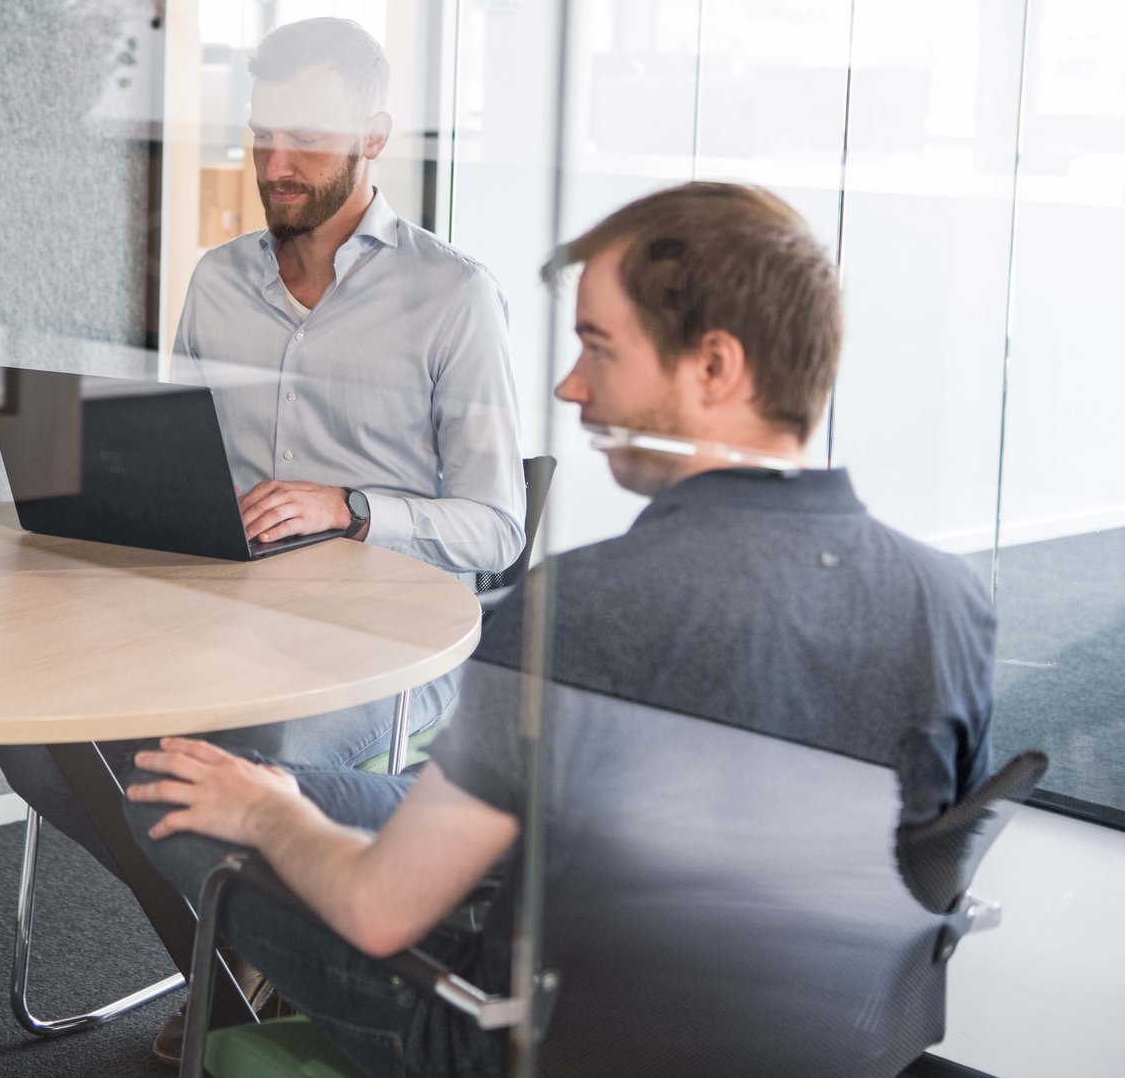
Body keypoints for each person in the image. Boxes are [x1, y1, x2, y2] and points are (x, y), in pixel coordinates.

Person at [123, 182, 997, 1077]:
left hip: (509, 1032)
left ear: (715, 367)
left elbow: (381, 908)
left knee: (180, 800)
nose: (569, 386)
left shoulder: (583, 606)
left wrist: (273, 817)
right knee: (265, 777)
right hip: (794, 1018)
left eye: (598, 347)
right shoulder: (952, 599)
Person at [0, 16, 526, 1061]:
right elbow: (175, 457)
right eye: (260, 135)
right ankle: (243, 949)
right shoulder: (218, 279)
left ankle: (252, 967)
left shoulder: (451, 297)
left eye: (306, 140)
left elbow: (498, 525)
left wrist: (354, 504)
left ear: (374, 137)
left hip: (375, 653)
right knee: (38, 741)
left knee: (250, 754)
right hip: (219, 620)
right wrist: (102, 484)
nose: (274, 166)